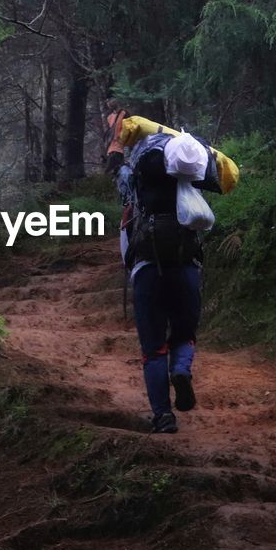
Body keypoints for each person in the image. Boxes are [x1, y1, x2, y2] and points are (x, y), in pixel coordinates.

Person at [112, 115, 239, 434]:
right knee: (184, 334)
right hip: (186, 265)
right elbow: (223, 177)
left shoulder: (136, 174)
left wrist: (115, 156)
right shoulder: (191, 176)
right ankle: (181, 370)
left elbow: (120, 180)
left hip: (146, 268)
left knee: (153, 347)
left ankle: (163, 417)